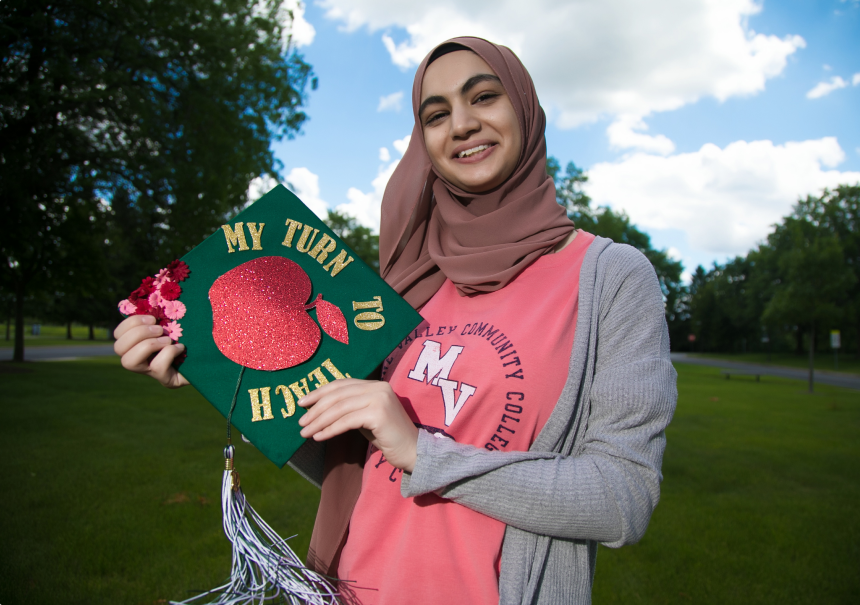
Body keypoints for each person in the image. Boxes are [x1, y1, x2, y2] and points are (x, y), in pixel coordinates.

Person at [114, 37, 677, 605]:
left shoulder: (609, 276)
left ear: (525, 110)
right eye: (436, 114)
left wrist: (424, 453)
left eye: (484, 97)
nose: (461, 124)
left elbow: (622, 498)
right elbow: (353, 460)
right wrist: (216, 371)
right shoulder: (408, 278)